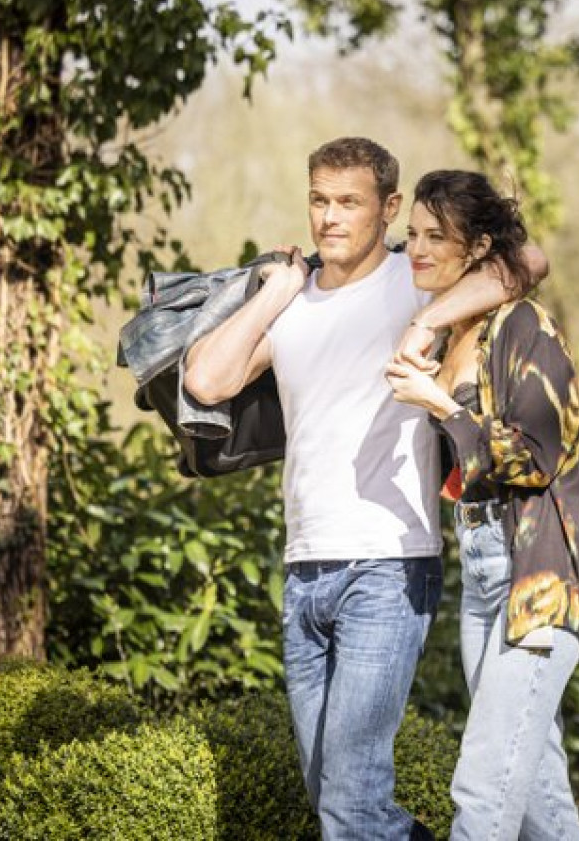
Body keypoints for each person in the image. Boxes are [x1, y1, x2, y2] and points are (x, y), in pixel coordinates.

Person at [183, 138, 543, 841]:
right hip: (304, 564)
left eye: (349, 201)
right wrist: (277, 294)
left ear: (389, 207)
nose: (330, 217)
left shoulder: (415, 278)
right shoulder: (292, 301)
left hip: (388, 563)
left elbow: (529, 262)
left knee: (350, 800)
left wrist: (427, 321)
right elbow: (207, 380)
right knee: (336, 797)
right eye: (319, 199)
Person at [385, 169, 579, 841]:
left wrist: (437, 401)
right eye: (414, 236)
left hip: (543, 574)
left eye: (438, 237)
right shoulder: (447, 334)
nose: (419, 250)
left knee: (485, 783)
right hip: (483, 571)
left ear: (479, 247)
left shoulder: (525, 326)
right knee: (541, 797)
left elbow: (536, 456)